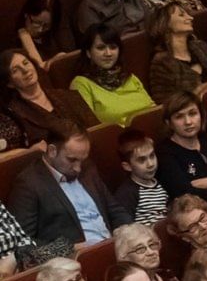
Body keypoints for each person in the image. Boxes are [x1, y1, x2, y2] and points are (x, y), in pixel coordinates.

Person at [10, 124, 114, 256]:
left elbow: (113, 208)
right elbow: (23, 242)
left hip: (112, 243)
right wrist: (71, 248)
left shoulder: (88, 167)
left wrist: (124, 230)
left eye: (82, 160)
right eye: (72, 160)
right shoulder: (29, 183)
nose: (78, 168)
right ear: (52, 151)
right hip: (75, 258)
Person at [153, 92, 207, 202]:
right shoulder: (164, 153)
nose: (188, 122)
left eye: (192, 113)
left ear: (201, 115)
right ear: (169, 123)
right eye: (179, 117)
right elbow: (186, 194)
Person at [5, 51, 99, 148]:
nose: (25, 70)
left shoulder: (68, 96)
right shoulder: (13, 115)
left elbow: (98, 130)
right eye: (15, 70)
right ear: (9, 83)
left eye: (26, 63)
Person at [69, 24, 154, 127]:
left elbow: (153, 108)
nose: (108, 53)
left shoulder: (129, 76)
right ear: (88, 53)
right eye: (101, 48)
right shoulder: (81, 83)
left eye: (113, 47)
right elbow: (90, 127)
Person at [109, 132, 166, 227]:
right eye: (142, 160)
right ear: (127, 166)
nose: (150, 164)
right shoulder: (127, 193)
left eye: (152, 156)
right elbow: (126, 226)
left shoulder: (161, 183)